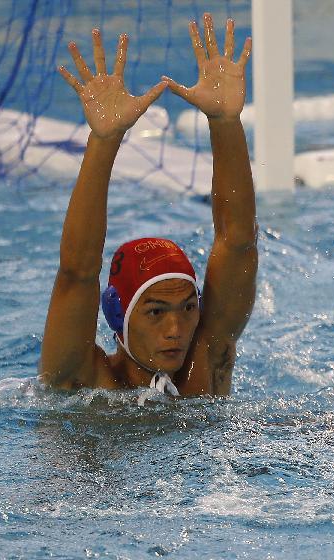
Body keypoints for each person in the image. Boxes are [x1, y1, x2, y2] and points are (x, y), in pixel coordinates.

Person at [40, 14, 257, 396]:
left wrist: (225, 121)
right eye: (156, 311)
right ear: (118, 315)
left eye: (188, 308)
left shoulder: (206, 362)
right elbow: (77, 272)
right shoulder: (81, 379)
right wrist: (105, 140)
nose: (176, 330)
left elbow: (236, 240)